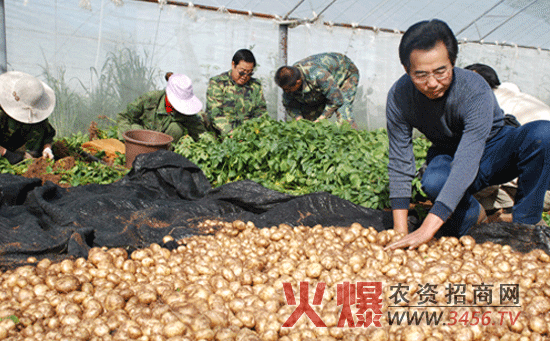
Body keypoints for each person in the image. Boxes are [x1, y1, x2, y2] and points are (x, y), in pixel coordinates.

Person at [385, 19, 550, 250]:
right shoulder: (400, 97)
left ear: (452, 62)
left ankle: (525, 226)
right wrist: (399, 232)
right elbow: (400, 160)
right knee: (434, 181)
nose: (432, 83)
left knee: (543, 133)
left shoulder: (474, 88)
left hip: (494, 149)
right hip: (448, 152)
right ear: (406, 69)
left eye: (440, 72)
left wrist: (427, 228)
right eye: (420, 75)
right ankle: (473, 213)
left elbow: (468, 159)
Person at [464, 63, 550, 217]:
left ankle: (509, 217)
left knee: (476, 187)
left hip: (544, 188)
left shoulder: (491, 106)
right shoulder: (514, 94)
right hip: (542, 178)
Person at [274, 52, 359, 128]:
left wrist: (321, 119)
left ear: (298, 82)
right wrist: (299, 119)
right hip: (326, 83)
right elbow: (289, 103)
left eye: (288, 89)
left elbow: (337, 100)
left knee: (343, 110)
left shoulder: (319, 75)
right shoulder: (290, 78)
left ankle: (352, 139)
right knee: (309, 120)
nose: (286, 92)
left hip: (346, 72)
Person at [117, 73, 205, 142]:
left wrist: (207, 144)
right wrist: (126, 139)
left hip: (165, 146)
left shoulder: (185, 111)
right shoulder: (150, 99)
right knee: (135, 128)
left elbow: (199, 130)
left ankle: (164, 158)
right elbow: (124, 116)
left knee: (176, 129)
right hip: (143, 138)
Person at [205, 49, 267, 137]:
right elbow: (215, 114)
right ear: (233, 64)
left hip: (248, 134)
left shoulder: (255, 85)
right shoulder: (218, 83)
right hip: (221, 134)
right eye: (242, 72)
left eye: (249, 73)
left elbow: (261, 113)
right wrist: (232, 134)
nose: (245, 76)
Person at [0, 71, 56, 164]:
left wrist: (47, 149)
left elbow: (48, 134)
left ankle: (30, 156)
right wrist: (5, 153)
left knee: (38, 125)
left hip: (17, 146)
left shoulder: (38, 121)